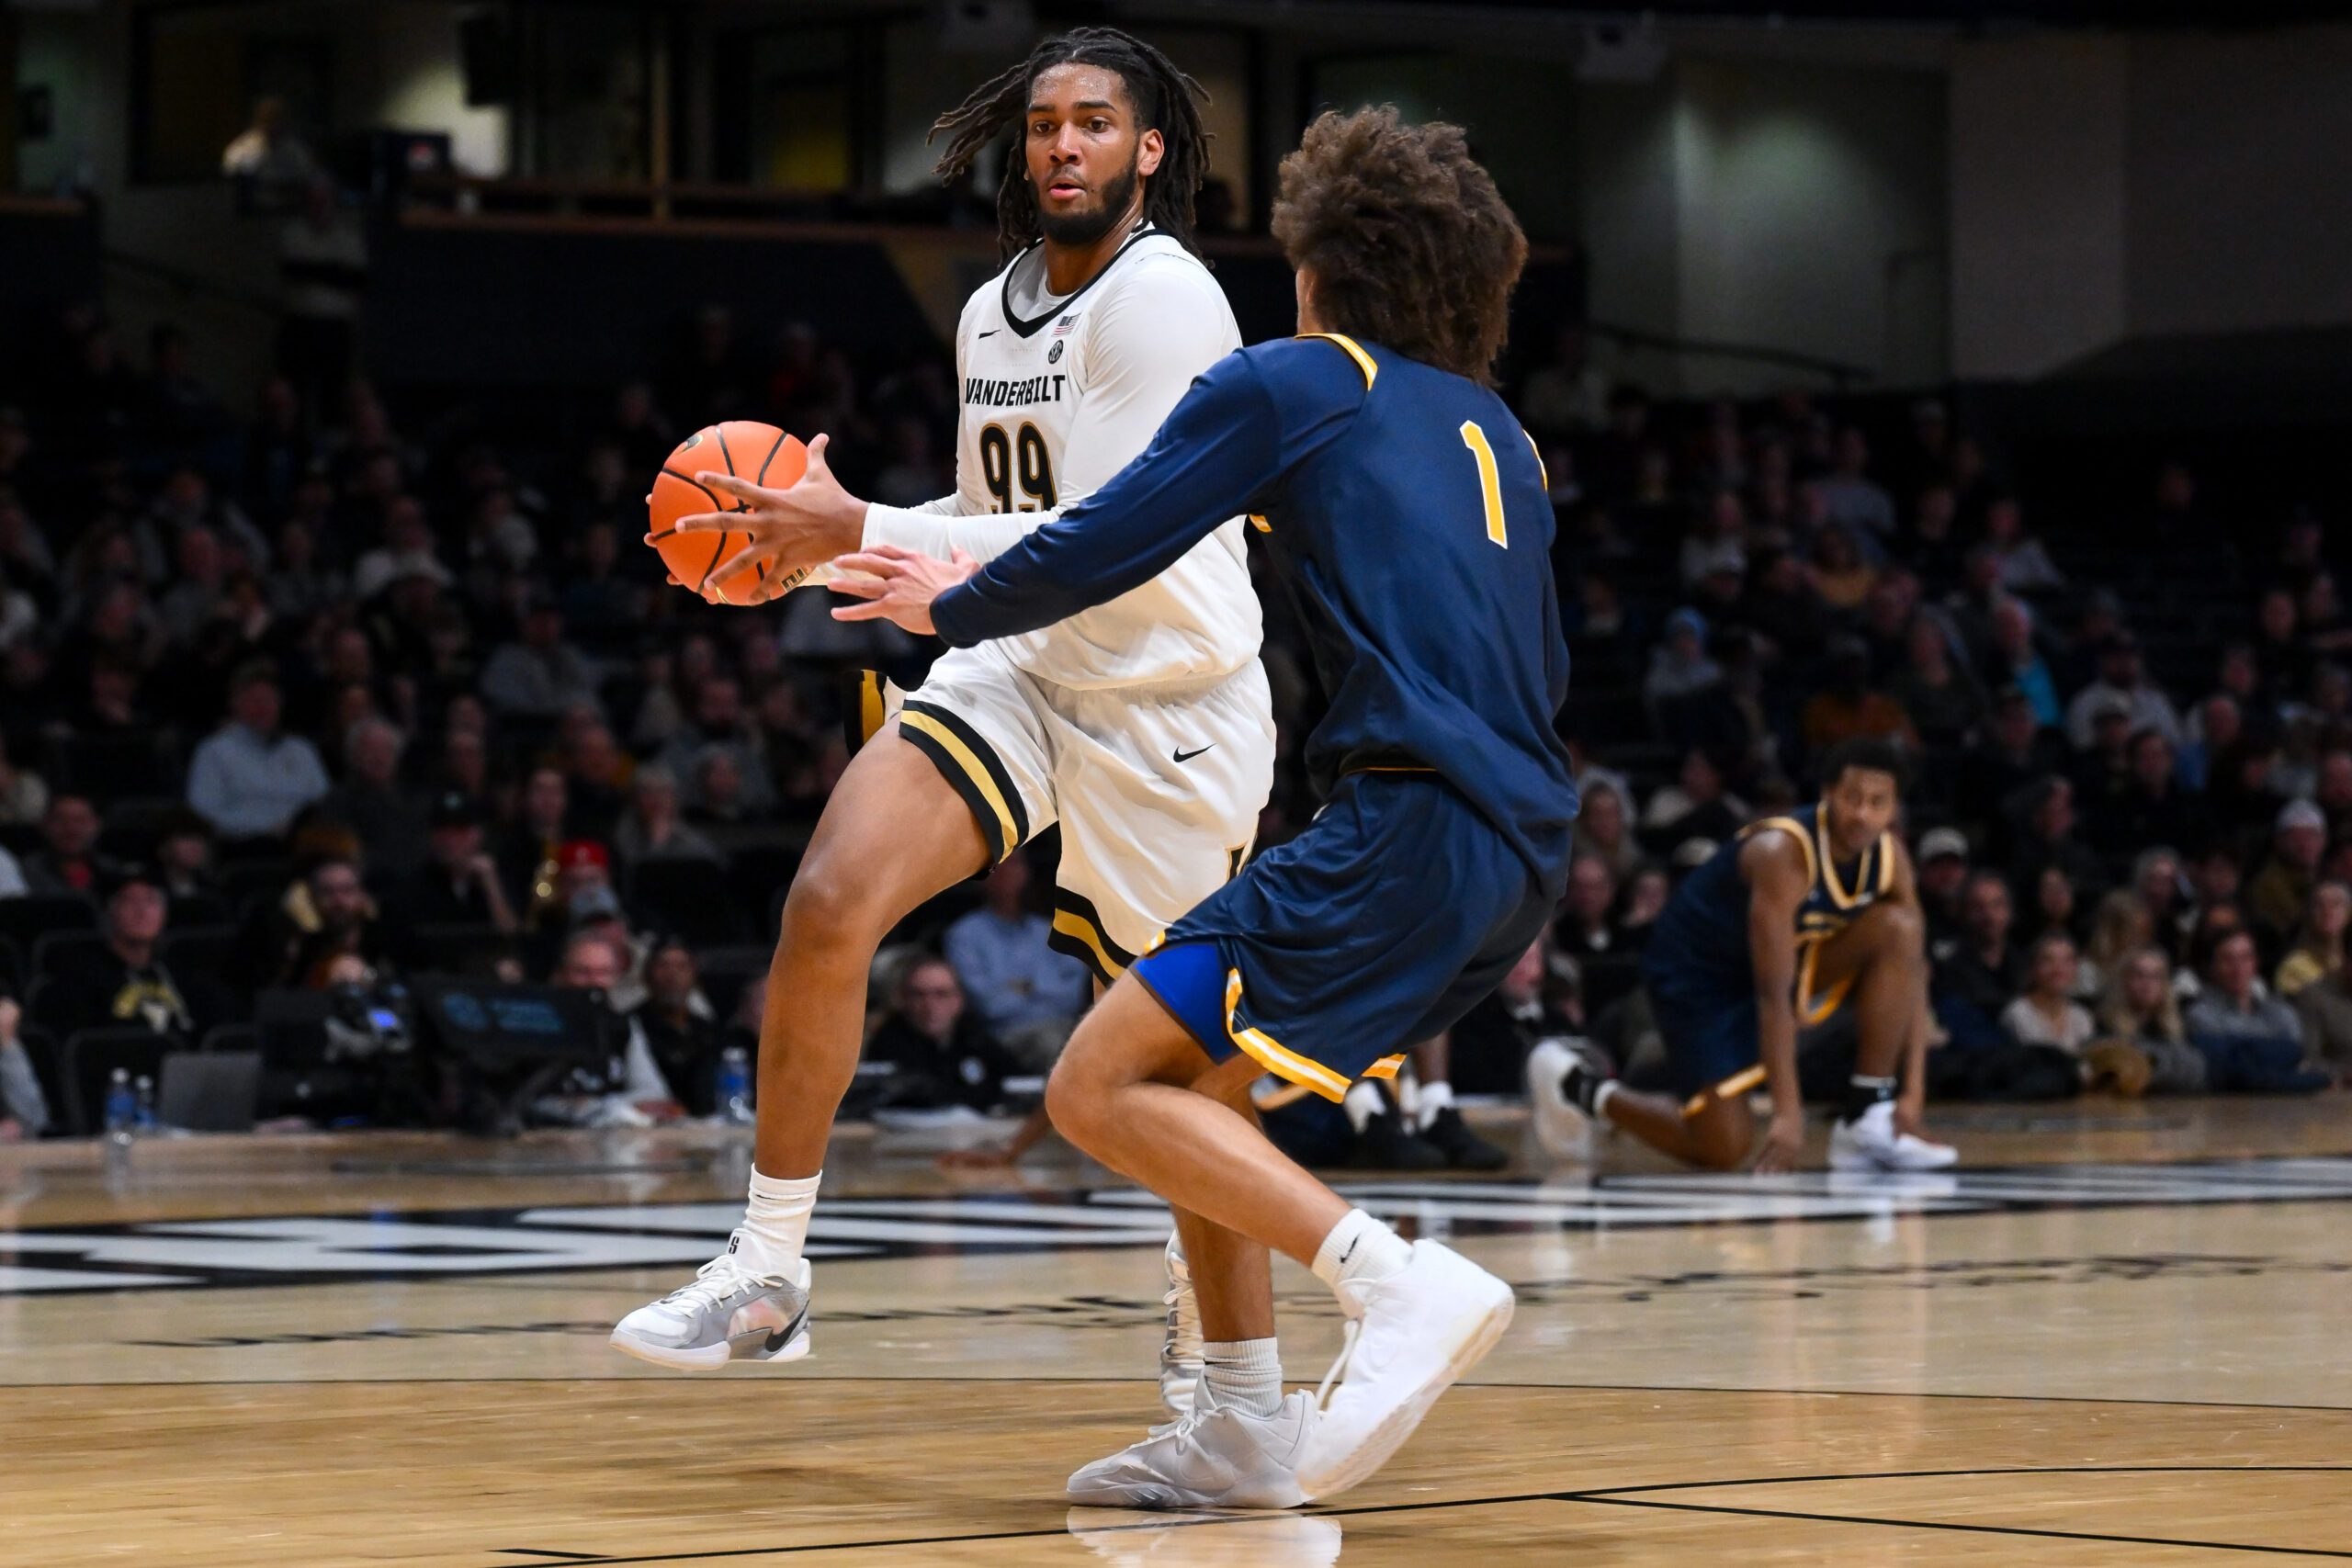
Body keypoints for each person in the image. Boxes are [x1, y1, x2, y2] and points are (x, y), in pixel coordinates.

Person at [816, 107, 1563, 1507]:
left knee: (1100, 1083)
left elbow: (1107, 534)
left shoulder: (1296, 378)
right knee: (1204, 1077)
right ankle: (1236, 1419)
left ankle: (1391, 1279)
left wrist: (947, 597)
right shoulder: (1498, 432)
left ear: (1319, 261)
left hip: (1404, 822)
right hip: (1520, 849)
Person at [611, 30, 1276, 1472]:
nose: (1061, 147)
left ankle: (1239, 1393)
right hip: (1024, 659)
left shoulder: (1168, 302)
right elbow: (1001, 519)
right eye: (1044, 126)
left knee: (1180, 1081)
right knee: (831, 895)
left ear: (1149, 150)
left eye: (1095, 124)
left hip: (1171, 697)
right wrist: (829, 545)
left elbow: (1108, 536)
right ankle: (770, 1263)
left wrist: (860, 527)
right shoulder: (993, 312)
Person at [1536, 739, 1957, 1175]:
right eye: (1852, 798)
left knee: (1900, 931)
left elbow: (1915, 971)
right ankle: (1579, 1087)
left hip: (1781, 965)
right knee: (1723, 1149)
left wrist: (1910, 1102)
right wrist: (1787, 1114)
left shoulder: (1892, 859)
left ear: (1893, 811)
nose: (1863, 814)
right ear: (1828, 794)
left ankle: (1867, 1114)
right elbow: (1772, 995)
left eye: (1877, 803)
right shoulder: (1782, 854)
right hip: (1698, 975)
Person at [186, 661, 331, 843]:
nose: (262, 708)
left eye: (268, 700)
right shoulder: (214, 752)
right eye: (254, 701)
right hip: (243, 847)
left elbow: (323, 803)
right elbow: (203, 814)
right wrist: (263, 828)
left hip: (302, 846)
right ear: (235, 704)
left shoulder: (302, 750)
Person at [1999, 932, 2096, 1056]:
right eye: (2048, 961)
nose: (2058, 969)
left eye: (2067, 961)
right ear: (2033, 968)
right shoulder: (2017, 1014)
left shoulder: (2082, 1017)